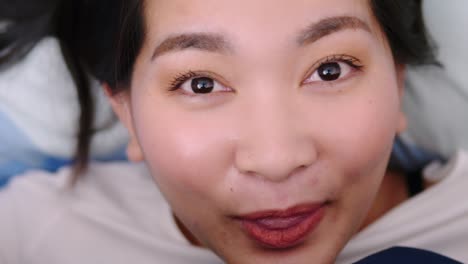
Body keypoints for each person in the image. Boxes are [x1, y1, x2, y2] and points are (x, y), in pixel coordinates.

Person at [0, 0, 464, 263]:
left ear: (398, 81)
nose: (276, 160)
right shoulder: (36, 232)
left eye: (330, 70)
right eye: (200, 84)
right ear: (125, 112)